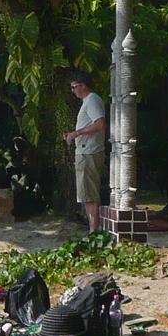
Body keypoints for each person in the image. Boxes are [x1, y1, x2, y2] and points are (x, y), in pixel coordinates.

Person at [64, 71, 106, 228]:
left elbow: (100, 124)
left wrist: (77, 133)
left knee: (89, 195)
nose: (73, 91)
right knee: (88, 194)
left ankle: (94, 232)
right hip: (86, 151)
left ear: (83, 85)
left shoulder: (92, 100)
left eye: (74, 87)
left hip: (89, 152)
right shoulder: (89, 101)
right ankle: (94, 231)